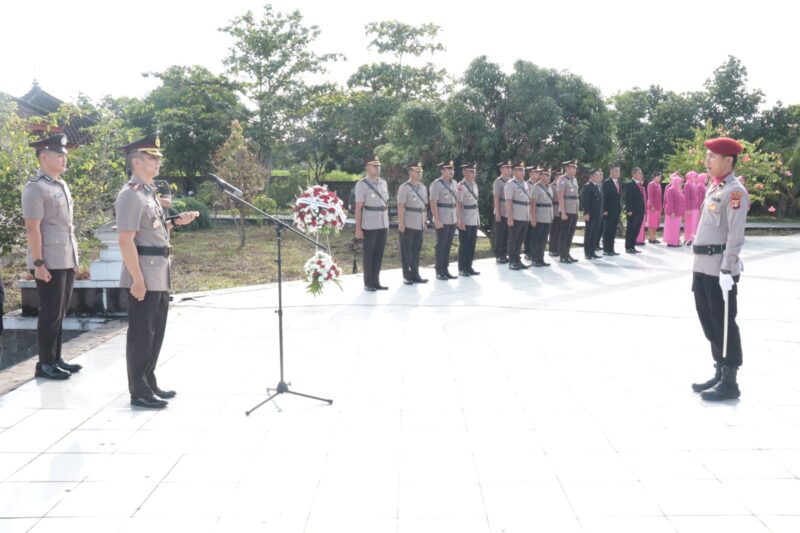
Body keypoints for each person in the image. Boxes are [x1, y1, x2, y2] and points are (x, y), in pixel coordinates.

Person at [115, 134, 199, 409]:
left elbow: (153, 231)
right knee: (141, 334)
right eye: (152, 158)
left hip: (159, 273)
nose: (158, 162)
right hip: (144, 275)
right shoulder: (130, 195)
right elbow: (126, 240)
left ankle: (148, 380)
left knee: (155, 332)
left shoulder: (148, 192)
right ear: (137, 162)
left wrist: (176, 222)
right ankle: (138, 391)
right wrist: (137, 279)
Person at [690, 137, 748, 401]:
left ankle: (730, 381)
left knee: (724, 323)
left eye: (712, 156)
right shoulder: (715, 188)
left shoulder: (735, 192)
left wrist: (727, 269)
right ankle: (719, 370)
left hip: (719, 269)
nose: (707, 160)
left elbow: (735, 235)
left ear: (728, 160)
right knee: (709, 322)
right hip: (702, 266)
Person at [21, 134, 81, 380]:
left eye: (64, 155)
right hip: (48, 260)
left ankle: (56, 358)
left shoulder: (60, 184)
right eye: (59, 155)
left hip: (66, 256)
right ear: (43, 157)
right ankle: (44, 363)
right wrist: (38, 263)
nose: (64, 159)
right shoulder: (35, 187)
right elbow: (32, 228)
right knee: (49, 313)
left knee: (60, 312)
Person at [355, 156, 390, 291]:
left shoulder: (383, 183)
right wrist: (358, 229)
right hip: (369, 224)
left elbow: (385, 204)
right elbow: (358, 207)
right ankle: (368, 283)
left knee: (379, 254)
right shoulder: (362, 184)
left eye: (378, 165)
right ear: (367, 167)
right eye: (374, 166)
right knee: (369, 254)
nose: (377, 168)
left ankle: (376, 281)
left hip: (383, 223)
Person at [397, 161, 429, 285]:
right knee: (406, 250)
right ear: (410, 172)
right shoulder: (404, 187)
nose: (420, 174)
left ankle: (415, 274)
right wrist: (401, 223)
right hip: (408, 222)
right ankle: (407, 275)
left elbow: (424, 207)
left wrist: (425, 221)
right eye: (417, 171)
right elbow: (400, 206)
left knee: (416, 250)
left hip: (419, 222)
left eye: (421, 171)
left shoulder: (423, 187)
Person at [430, 160, 459, 280]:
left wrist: (457, 218)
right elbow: (433, 202)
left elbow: (456, 202)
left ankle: (445, 269)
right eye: (449, 169)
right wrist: (437, 220)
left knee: (448, 245)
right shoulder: (437, 184)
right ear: (442, 171)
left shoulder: (454, 183)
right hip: (442, 218)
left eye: (452, 169)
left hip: (452, 218)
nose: (451, 171)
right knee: (441, 245)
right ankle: (439, 270)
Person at [505, 161, 531, 270]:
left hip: (524, 216)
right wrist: (510, 217)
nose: (522, 172)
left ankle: (517, 259)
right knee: (513, 240)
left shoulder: (524, 183)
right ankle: (512, 261)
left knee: (520, 240)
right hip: (516, 216)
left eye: (523, 170)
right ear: (514, 172)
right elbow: (508, 201)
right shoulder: (510, 184)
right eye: (520, 170)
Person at [456, 162, 481, 276]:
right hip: (465, 218)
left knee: (472, 244)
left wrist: (478, 219)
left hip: (474, 218)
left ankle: (469, 266)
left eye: (474, 171)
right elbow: (458, 205)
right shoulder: (460, 186)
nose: (474, 174)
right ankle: (462, 268)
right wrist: (460, 220)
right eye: (471, 171)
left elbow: (476, 204)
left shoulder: (475, 185)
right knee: (464, 245)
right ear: (464, 172)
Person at [556, 160, 580, 263]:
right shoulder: (562, 179)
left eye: (575, 168)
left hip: (574, 210)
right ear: (567, 168)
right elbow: (560, 196)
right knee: (564, 234)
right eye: (572, 167)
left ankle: (567, 253)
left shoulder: (574, 180)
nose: (574, 169)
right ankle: (563, 255)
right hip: (566, 210)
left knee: (570, 234)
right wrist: (563, 212)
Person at [529, 169, 554, 267]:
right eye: (547, 175)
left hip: (548, 217)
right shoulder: (536, 187)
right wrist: (533, 218)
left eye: (549, 175)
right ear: (541, 175)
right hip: (539, 217)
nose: (549, 177)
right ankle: (534, 259)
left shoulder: (549, 187)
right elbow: (533, 203)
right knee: (536, 239)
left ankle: (541, 258)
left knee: (543, 240)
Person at [492, 161, 512, 263]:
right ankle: (499, 255)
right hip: (501, 211)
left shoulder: (511, 181)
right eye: (506, 168)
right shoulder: (498, 181)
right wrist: (498, 213)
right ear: (501, 169)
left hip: (508, 212)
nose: (509, 170)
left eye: (509, 168)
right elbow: (496, 198)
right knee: (500, 235)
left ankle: (504, 254)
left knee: (507, 235)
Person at [582, 169, 604, 259]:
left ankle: (592, 251)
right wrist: (586, 213)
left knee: (595, 234)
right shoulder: (588, 186)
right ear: (592, 176)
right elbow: (586, 201)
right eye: (597, 175)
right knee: (589, 234)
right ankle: (587, 253)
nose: (599, 177)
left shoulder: (596, 186)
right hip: (591, 214)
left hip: (597, 214)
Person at [601, 164, 622, 255]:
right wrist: (604, 210)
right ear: (611, 171)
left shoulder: (618, 182)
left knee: (613, 230)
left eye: (618, 171)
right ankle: (606, 250)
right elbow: (604, 197)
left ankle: (611, 249)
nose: (618, 173)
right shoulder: (607, 183)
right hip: (608, 211)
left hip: (616, 211)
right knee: (607, 230)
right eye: (616, 171)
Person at [624, 167, 646, 254]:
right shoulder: (630, 184)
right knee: (631, 229)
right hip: (632, 211)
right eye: (639, 173)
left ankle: (633, 246)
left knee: (636, 229)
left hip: (640, 211)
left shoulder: (639, 184)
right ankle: (628, 247)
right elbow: (627, 198)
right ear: (633, 174)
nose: (641, 175)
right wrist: (629, 209)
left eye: (641, 173)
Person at [663, 173, 686, 247]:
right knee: (672, 228)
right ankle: (671, 242)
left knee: (676, 228)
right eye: (679, 182)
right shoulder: (671, 189)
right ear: (675, 182)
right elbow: (670, 202)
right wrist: (672, 211)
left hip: (678, 212)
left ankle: (675, 241)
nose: (680, 184)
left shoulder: (678, 190)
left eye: (681, 183)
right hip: (673, 213)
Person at [523, 166, 540, 259]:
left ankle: (535, 251)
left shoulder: (540, 185)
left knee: (536, 233)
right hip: (529, 211)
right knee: (528, 233)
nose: (538, 174)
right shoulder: (526, 184)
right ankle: (527, 252)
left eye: (538, 172)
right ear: (530, 173)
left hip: (539, 211)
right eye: (536, 172)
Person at [548, 168, 562, 257]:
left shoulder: (562, 185)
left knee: (560, 231)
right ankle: (552, 249)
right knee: (554, 231)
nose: (560, 177)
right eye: (559, 176)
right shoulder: (551, 186)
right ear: (555, 177)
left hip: (561, 210)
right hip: (554, 209)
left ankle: (558, 248)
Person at [683, 171, 699, 245]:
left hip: (695, 207)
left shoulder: (694, 184)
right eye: (694, 176)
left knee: (694, 224)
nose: (696, 178)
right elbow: (686, 197)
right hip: (690, 208)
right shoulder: (687, 184)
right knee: (689, 224)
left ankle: (693, 238)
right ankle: (688, 239)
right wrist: (688, 209)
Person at [646, 172, 663, 244]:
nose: (659, 178)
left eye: (660, 177)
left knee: (656, 223)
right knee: (651, 222)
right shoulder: (651, 184)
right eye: (658, 177)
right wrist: (652, 205)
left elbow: (660, 197)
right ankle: (652, 238)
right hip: (652, 206)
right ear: (654, 177)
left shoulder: (658, 185)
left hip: (658, 206)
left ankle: (653, 237)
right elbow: (650, 196)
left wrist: (660, 206)